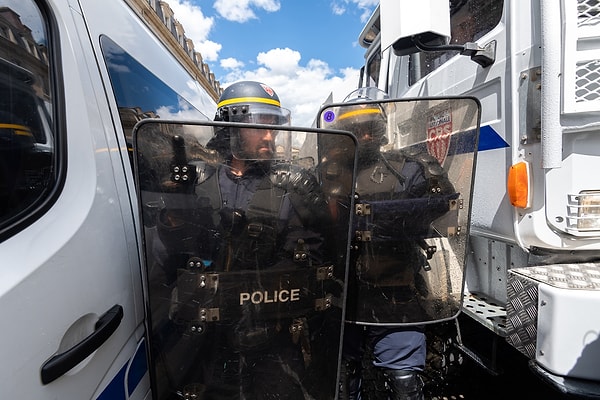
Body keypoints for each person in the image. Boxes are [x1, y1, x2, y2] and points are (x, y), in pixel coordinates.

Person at [150, 81, 340, 399]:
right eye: (259, 127)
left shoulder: (292, 188)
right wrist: (174, 216)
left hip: (272, 337)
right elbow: (170, 263)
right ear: (230, 127)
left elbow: (312, 263)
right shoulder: (198, 183)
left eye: (273, 127)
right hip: (206, 339)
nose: (270, 136)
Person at [321, 88, 454, 400]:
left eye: (369, 129)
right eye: (355, 130)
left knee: (404, 383)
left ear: (380, 131)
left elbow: (445, 210)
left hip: (396, 292)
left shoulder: (412, 168)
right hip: (342, 294)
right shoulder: (325, 175)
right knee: (340, 378)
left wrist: (385, 221)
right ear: (344, 133)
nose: (363, 137)